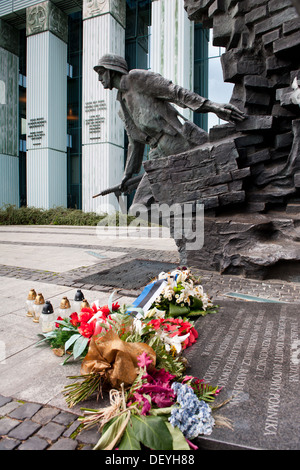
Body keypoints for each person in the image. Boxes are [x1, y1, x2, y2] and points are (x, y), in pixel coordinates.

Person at [94, 54, 245, 193]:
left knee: (208, 183)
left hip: (178, 141)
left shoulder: (136, 78)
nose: (99, 79)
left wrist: (212, 106)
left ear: (112, 70)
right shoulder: (122, 106)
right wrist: (127, 174)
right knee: (142, 205)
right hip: (157, 152)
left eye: (101, 72)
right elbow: (134, 143)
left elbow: (175, 92)